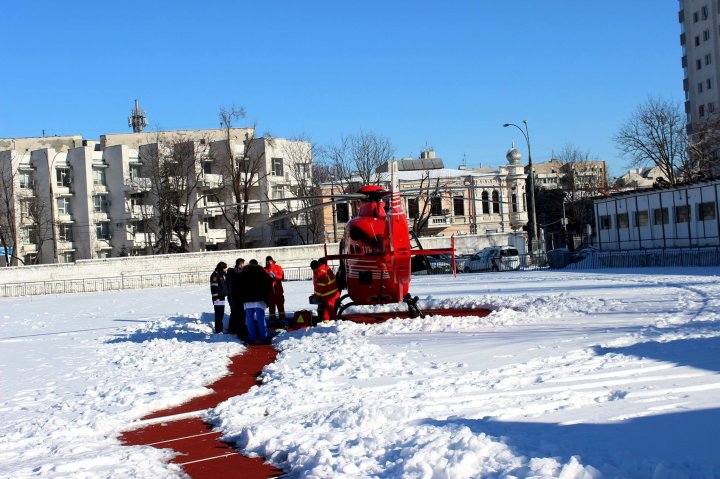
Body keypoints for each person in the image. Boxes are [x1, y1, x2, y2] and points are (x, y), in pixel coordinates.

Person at [238, 259, 273, 344]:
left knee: (249, 319)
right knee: (261, 319)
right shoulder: (260, 270)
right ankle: (263, 337)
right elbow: (269, 281)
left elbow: (239, 284)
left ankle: (251, 337)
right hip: (259, 299)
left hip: (247, 299)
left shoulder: (244, 271)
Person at [311, 257, 341, 322]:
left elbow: (321, 285)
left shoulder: (320, 272)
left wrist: (316, 296)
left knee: (328, 309)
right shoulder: (324, 268)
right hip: (330, 293)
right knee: (328, 309)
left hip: (329, 294)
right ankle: (328, 322)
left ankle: (331, 322)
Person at [226, 258, 247, 340]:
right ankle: (240, 330)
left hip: (231, 296)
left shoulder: (230, 273)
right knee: (240, 313)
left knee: (234, 312)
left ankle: (232, 329)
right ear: (241, 264)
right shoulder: (238, 273)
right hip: (238, 296)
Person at [264, 256, 286, 322]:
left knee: (280, 304)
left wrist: (275, 276)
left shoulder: (278, 267)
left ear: (272, 261)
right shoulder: (264, 269)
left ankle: (282, 318)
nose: (269, 263)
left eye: (270, 261)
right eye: (267, 262)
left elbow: (282, 276)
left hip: (278, 289)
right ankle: (272, 319)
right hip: (269, 291)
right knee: (271, 306)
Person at [209, 261, 228, 333]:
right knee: (219, 314)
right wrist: (216, 298)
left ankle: (220, 329)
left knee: (221, 314)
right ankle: (219, 330)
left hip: (221, 297)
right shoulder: (215, 276)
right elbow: (214, 288)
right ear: (221, 268)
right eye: (224, 269)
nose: (225, 270)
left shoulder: (220, 275)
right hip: (218, 298)